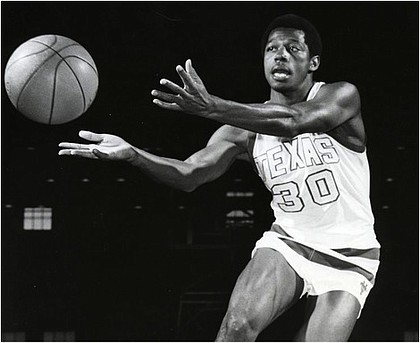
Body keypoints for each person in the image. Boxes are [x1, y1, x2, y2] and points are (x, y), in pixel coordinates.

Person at [59, 14, 380, 342]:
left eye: (293, 49)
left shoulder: (341, 97)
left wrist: (211, 106)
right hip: (290, 242)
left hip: (351, 254)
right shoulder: (241, 129)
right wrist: (133, 154)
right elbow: (190, 174)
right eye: (271, 49)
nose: (280, 55)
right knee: (235, 329)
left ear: (313, 62)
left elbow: (294, 121)